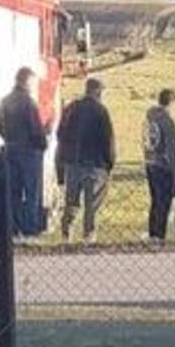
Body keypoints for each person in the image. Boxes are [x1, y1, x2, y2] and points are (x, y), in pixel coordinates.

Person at [55, 77, 115, 243]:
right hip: (95, 164)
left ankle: (66, 233)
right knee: (91, 204)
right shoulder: (101, 111)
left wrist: (61, 162)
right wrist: (109, 163)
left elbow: (60, 135)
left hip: (73, 163)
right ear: (97, 91)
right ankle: (88, 236)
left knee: (71, 201)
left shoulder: (71, 108)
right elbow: (108, 139)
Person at [0, 67, 49, 236]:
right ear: (27, 81)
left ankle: (14, 228)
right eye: (33, 82)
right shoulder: (28, 102)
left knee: (14, 193)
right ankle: (30, 229)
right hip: (29, 152)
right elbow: (35, 130)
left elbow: (0, 128)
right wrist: (43, 142)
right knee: (32, 193)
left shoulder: (5, 101)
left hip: (10, 149)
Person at [143, 88, 175, 239]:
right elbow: (172, 151)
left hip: (150, 163)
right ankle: (160, 235)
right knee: (163, 204)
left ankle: (153, 233)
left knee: (155, 202)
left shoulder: (150, 117)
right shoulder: (168, 121)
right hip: (163, 167)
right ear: (172, 102)